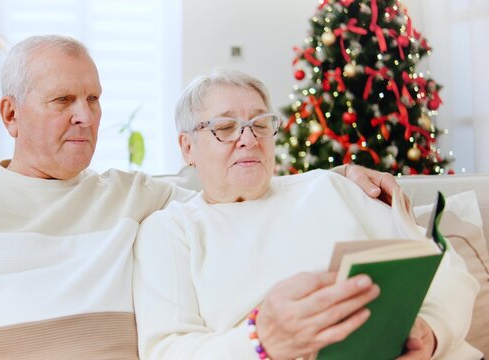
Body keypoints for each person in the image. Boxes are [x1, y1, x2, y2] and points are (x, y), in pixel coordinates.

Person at [0, 36, 403, 359]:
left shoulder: (136, 195)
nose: (85, 115)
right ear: (11, 115)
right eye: (63, 100)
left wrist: (332, 176)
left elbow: (231, 179)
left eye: (93, 99)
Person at [132, 70, 482, 360]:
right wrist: (261, 340)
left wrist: (431, 332)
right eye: (225, 127)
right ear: (187, 146)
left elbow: (445, 268)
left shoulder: (333, 188)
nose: (249, 139)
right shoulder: (170, 230)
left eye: (260, 124)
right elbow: (167, 350)